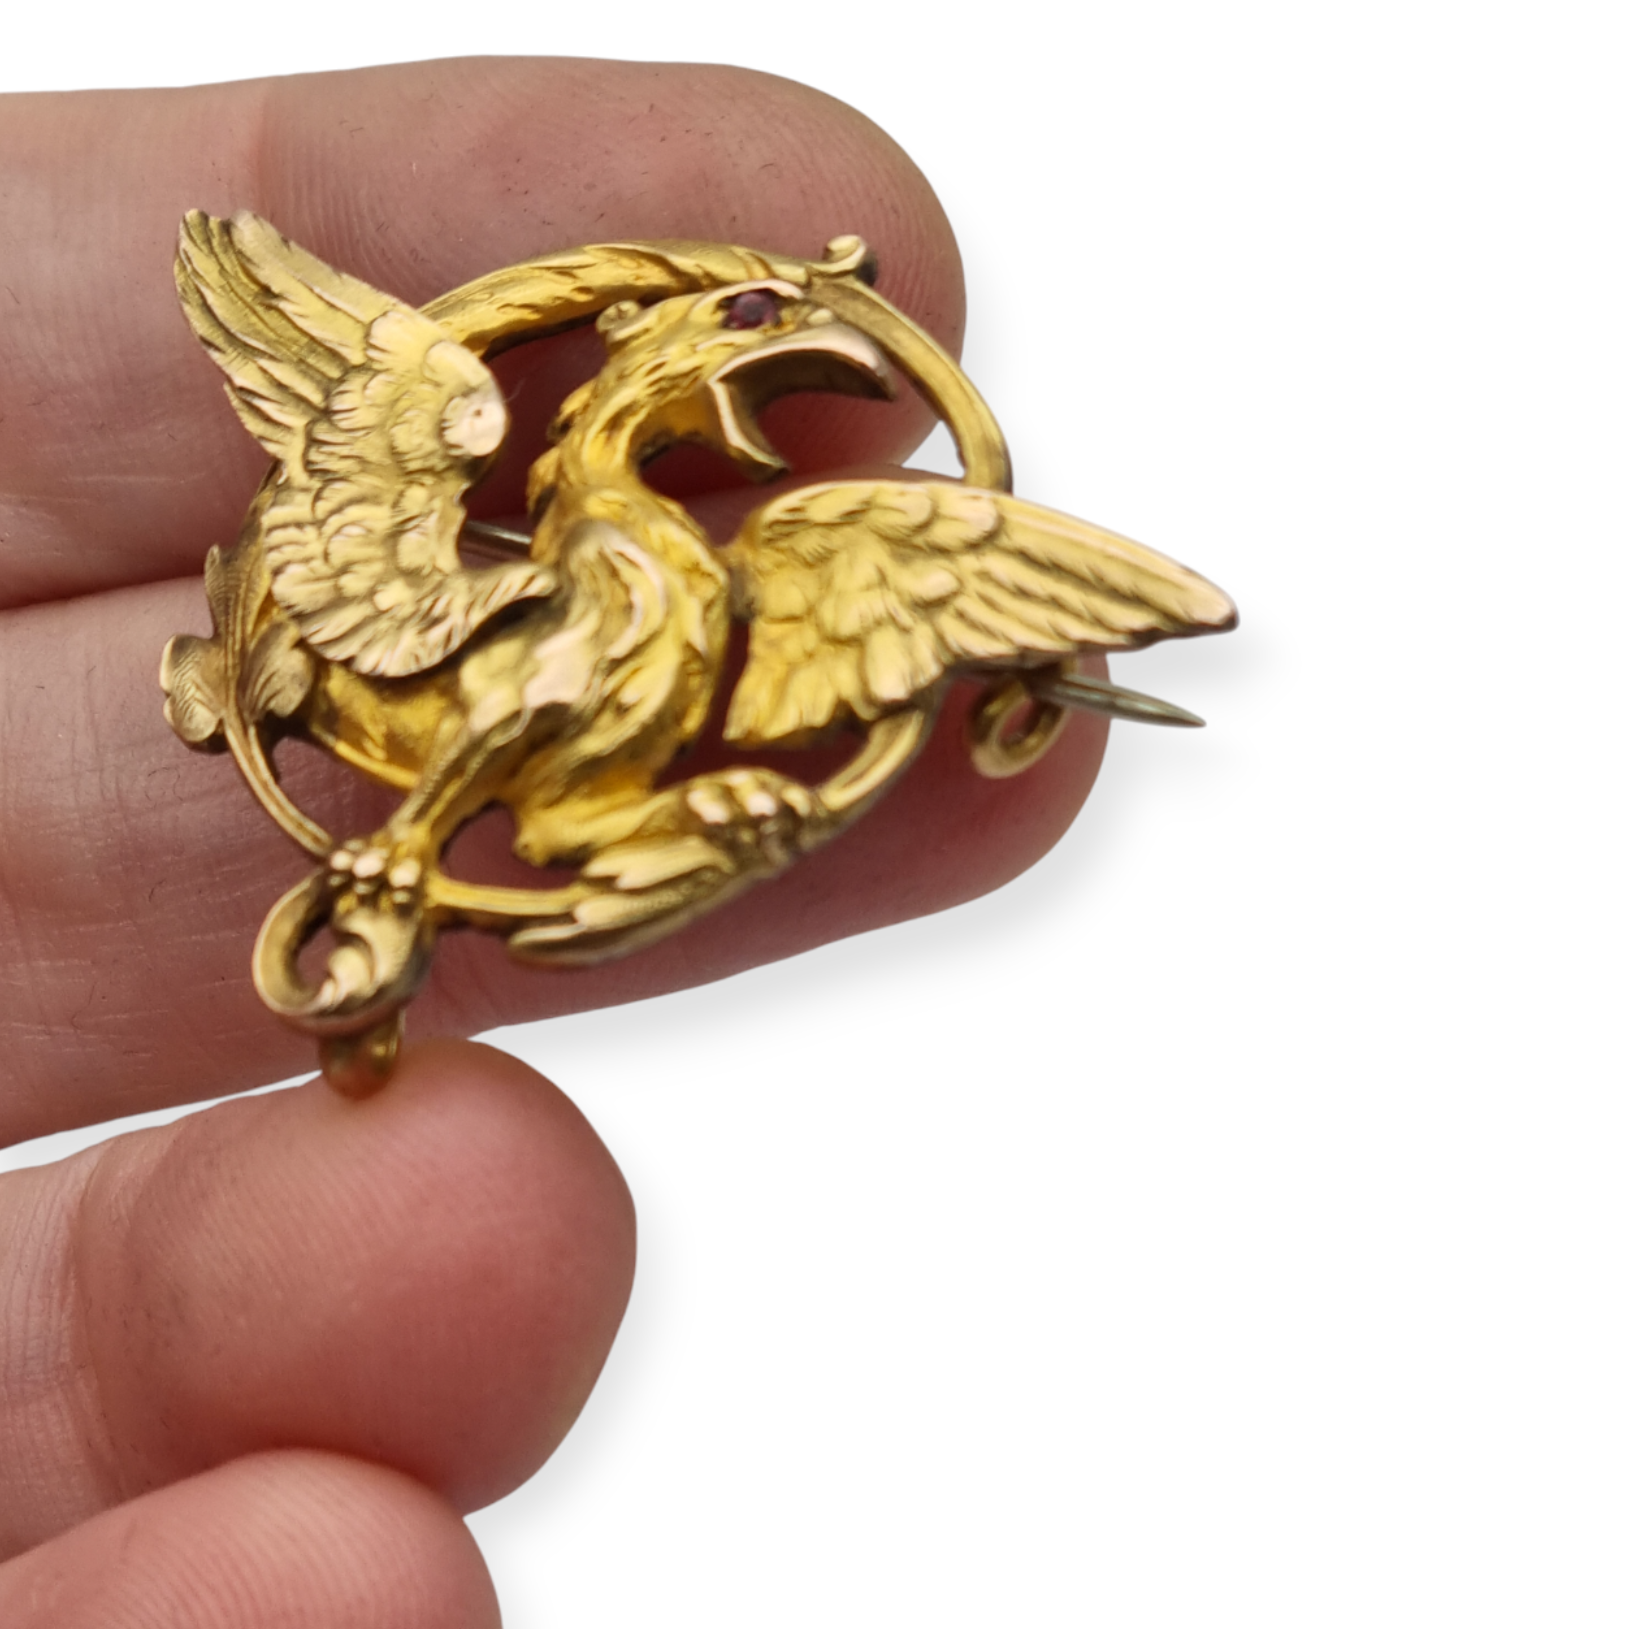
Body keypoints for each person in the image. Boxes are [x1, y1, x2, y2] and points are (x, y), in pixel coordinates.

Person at [0, 56, 1106, 1624]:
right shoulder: (568, 564)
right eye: (744, 328)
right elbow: (518, 722)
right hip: (394, 723)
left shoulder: (679, 580)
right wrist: (408, 851)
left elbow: (576, 774)